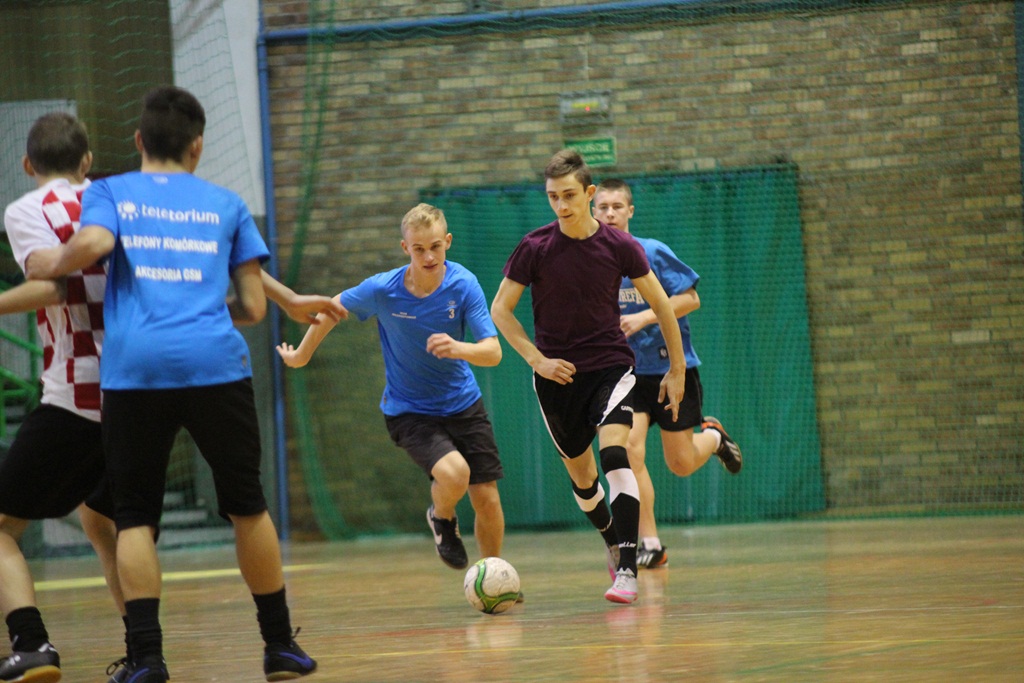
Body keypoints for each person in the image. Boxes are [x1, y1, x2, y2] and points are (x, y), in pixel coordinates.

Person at [26, 86, 318, 682]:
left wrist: (46, 263)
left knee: (133, 516)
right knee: (247, 505)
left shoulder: (110, 191)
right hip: (215, 364)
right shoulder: (227, 202)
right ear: (198, 147)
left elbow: (96, 246)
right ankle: (280, 646)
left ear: (138, 142)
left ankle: (147, 660)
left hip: (136, 369)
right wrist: (205, 309)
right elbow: (256, 307)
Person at [489, 149, 687, 604]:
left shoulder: (620, 247)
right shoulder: (534, 247)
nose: (561, 205)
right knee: (583, 480)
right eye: (553, 197)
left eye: (570, 195)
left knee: (617, 454)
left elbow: (662, 305)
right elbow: (501, 309)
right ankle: (612, 542)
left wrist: (676, 370)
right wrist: (536, 359)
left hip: (611, 370)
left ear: (590, 194)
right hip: (556, 380)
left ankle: (627, 569)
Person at [277, 203, 509, 575]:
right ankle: (442, 516)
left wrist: (459, 348)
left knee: (487, 498)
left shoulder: (463, 285)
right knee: (455, 474)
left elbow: (493, 352)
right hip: (410, 411)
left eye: (435, 246)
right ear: (406, 249)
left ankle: (493, 576)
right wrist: (302, 355)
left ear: (447, 242)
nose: (429, 256)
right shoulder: (384, 289)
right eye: (419, 249)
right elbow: (333, 307)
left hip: (463, 403)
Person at [0, 111, 127, 683]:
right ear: (87, 162)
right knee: (102, 520)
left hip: (77, 396)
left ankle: (32, 645)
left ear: (28, 166)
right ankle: (144, 650)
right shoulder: (118, 200)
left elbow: (49, 284)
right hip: (142, 390)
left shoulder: (27, 209)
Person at [593, 178, 743, 570]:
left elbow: (691, 297)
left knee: (680, 463)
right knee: (628, 451)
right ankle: (650, 542)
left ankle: (713, 438)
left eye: (616, 206)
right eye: (603, 207)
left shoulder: (652, 252)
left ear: (630, 211)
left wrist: (646, 316)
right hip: (626, 375)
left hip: (669, 371)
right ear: (593, 210)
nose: (609, 213)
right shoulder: (590, 264)